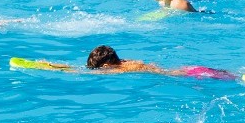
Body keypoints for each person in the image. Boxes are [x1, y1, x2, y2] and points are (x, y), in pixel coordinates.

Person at [81, 45, 231, 78]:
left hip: (188, 74)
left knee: (229, 78)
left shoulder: (121, 69)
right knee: (228, 74)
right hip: (189, 69)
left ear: (106, 66)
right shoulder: (125, 62)